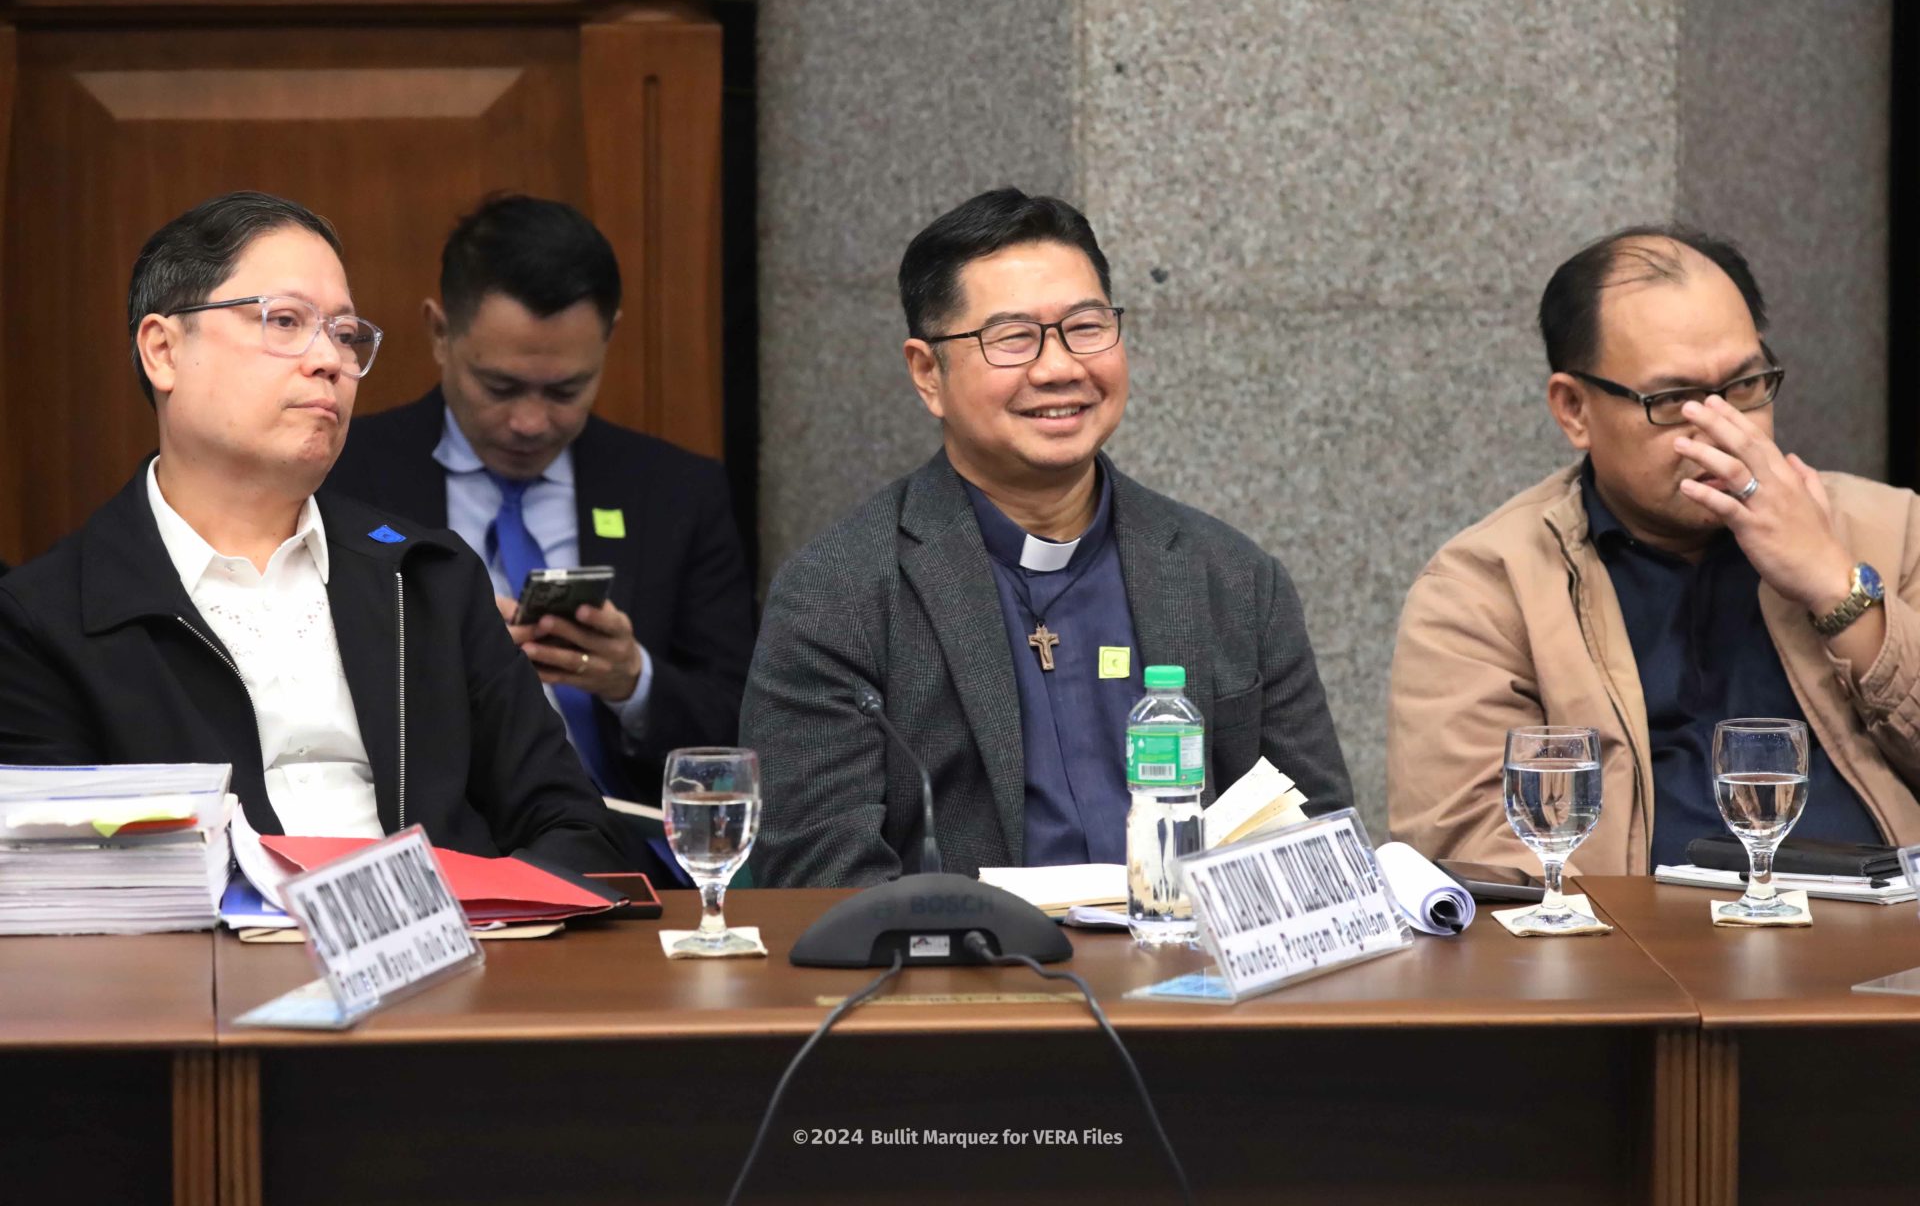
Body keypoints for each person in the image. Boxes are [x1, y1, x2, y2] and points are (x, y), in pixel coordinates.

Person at [0, 191, 625, 873]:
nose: (329, 360)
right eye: (287, 321)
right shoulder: (47, 621)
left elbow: (575, 830)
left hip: (450, 958)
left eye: (345, 334)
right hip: (213, 973)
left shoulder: (428, 579)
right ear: (163, 351)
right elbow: (59, 897)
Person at [743, 188, 1351, 887]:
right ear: (927, 373)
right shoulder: (839, 594)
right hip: (966, 983)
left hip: (1194, 980)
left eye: (1086, 327)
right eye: (1013, 338)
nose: (1060, 367)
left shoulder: (1233, 579)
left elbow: (1318, 845)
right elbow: (819, 879)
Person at [1388, 226, 1920, 874]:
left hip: (1886, 956)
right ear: (1574, 409)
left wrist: (1837, 588)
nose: (1722, 428)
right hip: (1632, 965)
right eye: (1673, 401)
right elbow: (1473, 862)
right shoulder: (1484, 591)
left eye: (1746, 386)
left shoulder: (1890, 530)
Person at [326, 195, 755, 803]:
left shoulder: (676, 494)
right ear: (440, 334)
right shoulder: (344, 477)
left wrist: (633, 681)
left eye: (565, 391)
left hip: (629, 849)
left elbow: (746, 722)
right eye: (500, 386)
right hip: (428, 844)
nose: (529, 423)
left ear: (608, 341)